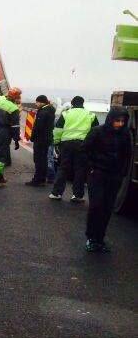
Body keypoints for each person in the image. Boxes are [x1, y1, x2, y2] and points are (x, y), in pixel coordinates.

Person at [83, 107, 130, 252]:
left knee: (107, 208)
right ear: (111, 119)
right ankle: (91, 237)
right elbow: (84, 150)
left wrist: (122, 173)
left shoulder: (125, 135)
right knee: (96, 205)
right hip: (97, 174)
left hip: (114, 176)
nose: (120, 124)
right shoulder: (97, 131)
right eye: (117, 121)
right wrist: (91, 168)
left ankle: (100, 238)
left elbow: (127, 155)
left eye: (122, 121)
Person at [49, 96, 99, 202]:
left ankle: (56, 193)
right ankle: (78, 195)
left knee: (63, 168)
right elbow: (96, 132)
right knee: (80, 169)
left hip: (67, 144)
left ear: (72, 104)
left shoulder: (66, 114)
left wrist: (57, 142)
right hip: (83, 145)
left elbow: (58, 129)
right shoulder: (91, 115)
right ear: (83, 103)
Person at [0, 87, 22, 188]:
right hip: (3, 132)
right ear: (16, 97)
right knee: (1, 156)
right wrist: (16, 140)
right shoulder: (14, 108)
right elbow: (15, 126)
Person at [25, 95, 55, 186]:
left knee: (38, 160)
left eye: (37, 102)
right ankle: (42, 179)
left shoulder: (43, 112)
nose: (35, 104)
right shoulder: (50, 110)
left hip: (41, 139)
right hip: (47, 139)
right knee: (44, 159)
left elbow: (38, 127)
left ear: (42, 102)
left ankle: (37, 180)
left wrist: (33, 137)